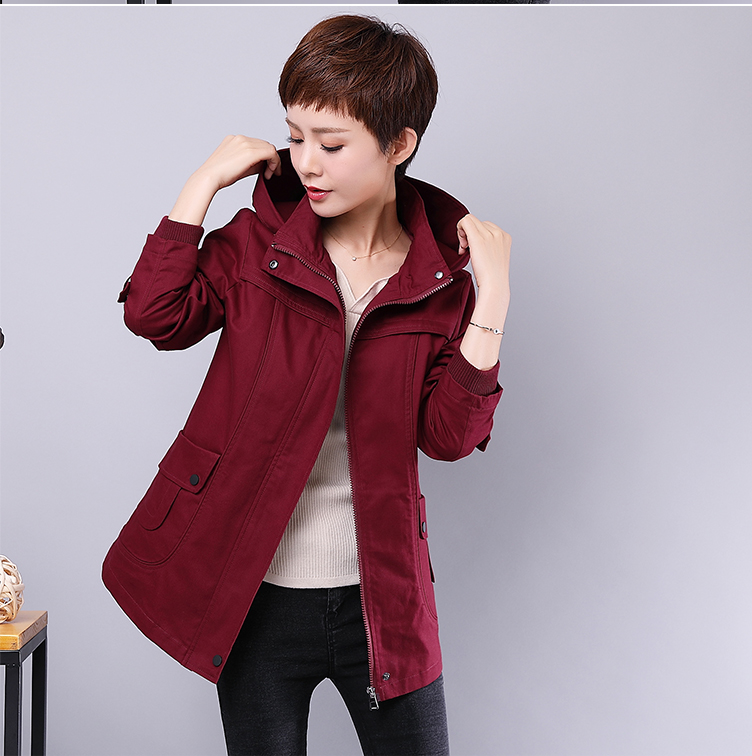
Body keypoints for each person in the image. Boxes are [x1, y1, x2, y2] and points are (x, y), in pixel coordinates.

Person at [103, 14, 509, 756]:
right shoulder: (259, 245)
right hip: (253, 593)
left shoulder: (440, 278)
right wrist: (202, 185)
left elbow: (449, 437)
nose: (307, 163)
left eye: (331, 144)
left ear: (399, 145)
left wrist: (494, 302)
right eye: (295, 137)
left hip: (382, 598)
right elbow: (155, 314)